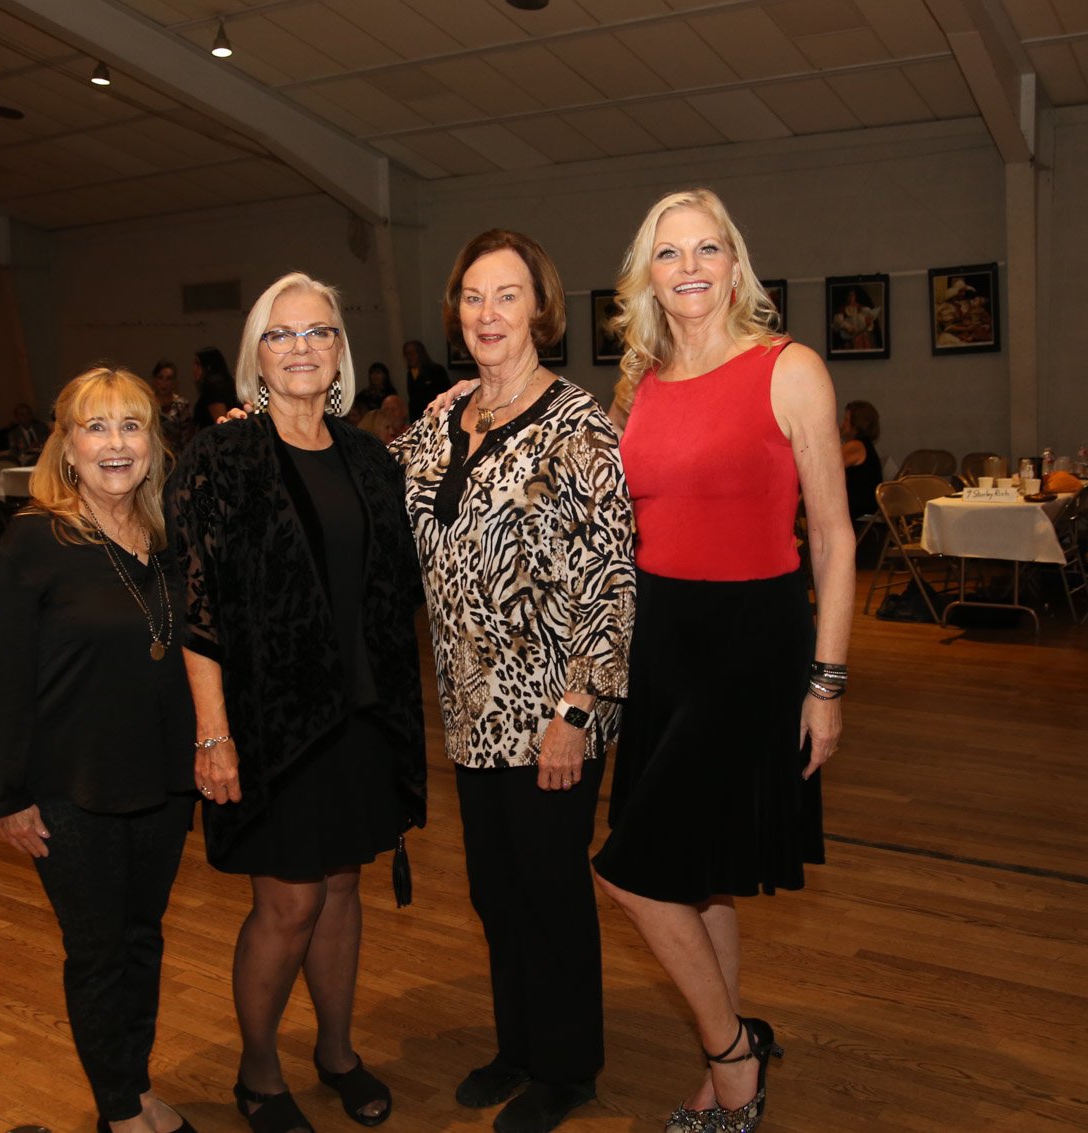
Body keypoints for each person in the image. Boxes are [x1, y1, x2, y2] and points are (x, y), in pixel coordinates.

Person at [593, 188, 854, 1133]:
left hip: (753, 642)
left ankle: (732, 1057)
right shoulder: (641, 383)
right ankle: (731, 1041)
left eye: (708, 248)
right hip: (663, 641)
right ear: (647, 276)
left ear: (736, 265)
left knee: (629, 870)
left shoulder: (790, 369)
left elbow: (834, 538)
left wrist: (827, 683)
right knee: (696, 871)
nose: (691, 266)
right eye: (670, 252)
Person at [168, 272, 427, 1133]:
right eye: (281, 334)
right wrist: (213, 734)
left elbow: (397, 584)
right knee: (289, 901)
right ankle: (257, 1072)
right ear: (257, 355)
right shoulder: (222, 458)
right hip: (271, 726)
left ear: (341, 350)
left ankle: (338, 1052)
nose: (302, 347)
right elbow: (196, 607)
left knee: (343, 887)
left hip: (361, 716)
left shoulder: (367, 457)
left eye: (318, 331)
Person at [392, 230, 635, 1133]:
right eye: (472, 296)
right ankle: (520, 1045)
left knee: (550, 889)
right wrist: (263, 424)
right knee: (495, 891)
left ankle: (567, 1067)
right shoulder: (443, 418)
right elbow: (363, 487)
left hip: (551, 711)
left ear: (541, 308)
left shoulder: (579, 424)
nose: (486, 313)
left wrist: (576, 710)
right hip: (468, 707)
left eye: (506, 295)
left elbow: (612, 578)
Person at [0, 367, 198, 1133]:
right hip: (72, 790)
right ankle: (118, 1109)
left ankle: (133, 1085)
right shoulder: (31, 542)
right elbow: (1, 679)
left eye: (132, 425)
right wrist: (5, 795)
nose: (116, 444)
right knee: (99, 950)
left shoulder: (166, 537)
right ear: (67, 446)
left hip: (164, 780)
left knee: (143, 938)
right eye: (96, 427)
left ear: (154, 443)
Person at [840, 399, 883, 522]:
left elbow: (827, 467)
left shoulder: (856, 446)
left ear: (856, 423)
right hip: (866, 506)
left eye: (846, 420)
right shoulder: (865, 445)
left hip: (858, 509)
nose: (842, 424)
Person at [150, 360, 191, 453]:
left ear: (174, 382)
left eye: (169, 379)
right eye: (160, 377)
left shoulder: (181, 405)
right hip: (153, 452)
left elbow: (186, 436)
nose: (164, 383)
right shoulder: (147, 403)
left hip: (176, 454)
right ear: (155, 380)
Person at [401, 339, 449, 419]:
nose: (409, 357)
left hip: (435, 414)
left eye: (412, 353)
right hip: (417, 417)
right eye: (406, 354)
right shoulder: (410, 374)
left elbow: (445, 393)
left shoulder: (436, 370)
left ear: (420, 353)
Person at [191, 347, 236, 430]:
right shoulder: (224, 383)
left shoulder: (212, 387)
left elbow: (221, 421)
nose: (194, 368)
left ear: (208, 366)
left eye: (198, 364)